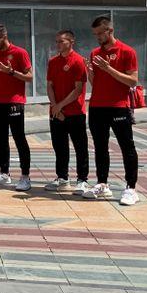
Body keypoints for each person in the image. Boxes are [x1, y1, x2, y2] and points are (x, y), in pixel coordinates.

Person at [85, 16, 140, 205]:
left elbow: (133, 81)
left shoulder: (127, 51)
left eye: (100, 33)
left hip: (118, 107)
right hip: (97, 107)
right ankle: (102, 184)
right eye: (95, 34)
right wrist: (90, 72)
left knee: (127, 147)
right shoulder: (94, 53)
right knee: (100, 147)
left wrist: (109, 69)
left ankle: (131, 188)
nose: (98, 37)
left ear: (109, 30)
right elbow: (96, 83)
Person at [0, 24, 34, 190]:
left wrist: (12, 72)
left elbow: (30, 77)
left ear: (3, 37)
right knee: (1, 139)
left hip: (15, 102)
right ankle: (4, 173)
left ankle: (25, 177)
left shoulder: (20, 52)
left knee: (19, 138)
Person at [46, 30, 90, 194]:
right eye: (56, 41)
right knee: (59, 146)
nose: (58, 44)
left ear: (72, 41)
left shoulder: (78, 61)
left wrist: (61, 105)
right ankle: (62, 177)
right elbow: (49, 85)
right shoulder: (53, 61)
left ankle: (82, 179)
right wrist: (55, 106)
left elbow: (78, 89)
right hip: (56, 112)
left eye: (61, 41)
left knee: (80, 147)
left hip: (75, 112)